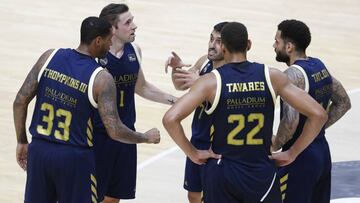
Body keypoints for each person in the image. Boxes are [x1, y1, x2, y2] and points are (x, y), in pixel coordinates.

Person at [163, 22, 328, 203]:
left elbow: (170, 119)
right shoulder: (271, 76)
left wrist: (193, 153)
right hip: (260, 172)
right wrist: (292, 153)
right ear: (248, 45)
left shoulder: (209, 82)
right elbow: (319, 115)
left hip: (223, 171)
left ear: (223, 47)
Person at [13, 16, 160, 203]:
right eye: (109, 40)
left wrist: (21, 141)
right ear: (98, 41)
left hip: (40, 152)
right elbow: (114, 131)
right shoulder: (102, 78)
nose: (110, 45)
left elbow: (19, 101)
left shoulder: (49, 56)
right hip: (74, 159)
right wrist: (145, 137)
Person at [94, 4, 177, 203]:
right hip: (98, 137)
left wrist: (179, 102)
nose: (134, 26)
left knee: (114, 197)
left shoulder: (135, 51)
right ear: (112, 29)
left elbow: (142, 87)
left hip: (126, 135)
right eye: (128, 22)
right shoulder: (96, 55)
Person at [272, 19, 351, 203]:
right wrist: (316, 128)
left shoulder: (292, 75)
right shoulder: (319, 66)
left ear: (289, 46)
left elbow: (290, 123)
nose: (274, 45)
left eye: (277, 41)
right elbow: (343, 102)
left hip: (300, 158)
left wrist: (275, 143)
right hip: (322, 152)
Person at [165, 22, 228, 203]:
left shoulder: (229, 72)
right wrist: (177, 69)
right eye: (211, 38)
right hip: (197, 138)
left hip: (216, 143)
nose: (211, 44)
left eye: (218, 41)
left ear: (228, 45)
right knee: (193, 194)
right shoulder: (205, 61)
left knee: (213, 195)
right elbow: (181, 85)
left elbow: (224, 98)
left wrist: (199, 82)